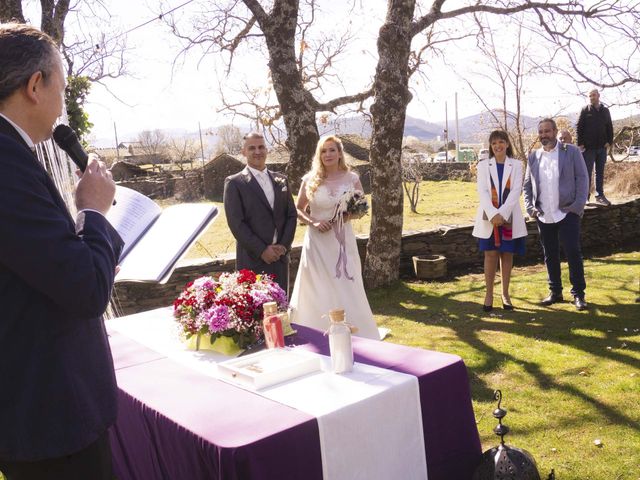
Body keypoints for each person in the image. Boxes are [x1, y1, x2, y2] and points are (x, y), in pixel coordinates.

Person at [0, 23, 123, 479]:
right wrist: (94, 212)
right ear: (35, 86)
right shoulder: (6, 163)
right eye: (63, 89)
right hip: (50, 414)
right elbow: (86, 288)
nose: (63, 105)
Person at [289, 135, 379, 339]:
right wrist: (314, 222)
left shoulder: (352, 178)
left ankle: (354, 330)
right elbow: (298, 209)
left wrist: (345, 216)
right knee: (317, 284)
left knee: (346, 283)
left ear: (340, 153)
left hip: (342, 241)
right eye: (323, 151)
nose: (328, 154)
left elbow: (361, 207)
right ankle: (314, 331)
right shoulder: (310, 179)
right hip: (317, 242)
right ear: (318, 155)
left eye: (332, 150)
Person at [524, 118, 589, 311]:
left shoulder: (572, 152)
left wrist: (577, 206)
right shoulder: (534, 157)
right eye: (541, 132)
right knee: (549, 254)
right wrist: (530, 208)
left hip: (567, 212)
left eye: (547, 131)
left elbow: (583, 178)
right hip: (544, 214)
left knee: (573, 252)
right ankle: (555, 292)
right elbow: (527, 185)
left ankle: (578, 294)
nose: (544, 135)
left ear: (555, 131)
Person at [223, 132, 297, 294]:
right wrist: (262, 250)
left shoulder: (281, 180)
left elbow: (291, 215)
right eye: (252, 148)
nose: (257, 151)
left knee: (281, 311)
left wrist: (283, 246)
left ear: (267, 149)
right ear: (243, 152)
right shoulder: (235, 183)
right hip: (252, 260)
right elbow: (236, 224)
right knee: (255, 315)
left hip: (280, 259)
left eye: (261, 147)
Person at [472, 130, 527, 312]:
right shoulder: (483, 165)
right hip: (489, 216)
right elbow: (483, 191)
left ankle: (505, 294)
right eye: (494, 143)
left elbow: (516, 190)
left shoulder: (517, 165)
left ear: (507, 144)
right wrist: (493, 213)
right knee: (490, 255)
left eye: (501, 142)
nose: (498, 146)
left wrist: (502, 214)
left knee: (506, 255)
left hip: (509, 216)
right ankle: (489, 295)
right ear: (490, 146)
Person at [576, 88, 613, 206]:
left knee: (600, 172)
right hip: (588, 148)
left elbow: (609, 127)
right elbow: (579, 127)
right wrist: (580, 143)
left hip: (602, 147)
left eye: (593, 95)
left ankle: (599, 196)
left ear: (598, 96)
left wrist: (609, 141)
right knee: (586, 173)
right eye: (590, 96)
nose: (591, 97)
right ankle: (585, 197)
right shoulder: (585, 110)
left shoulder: (605, 111)